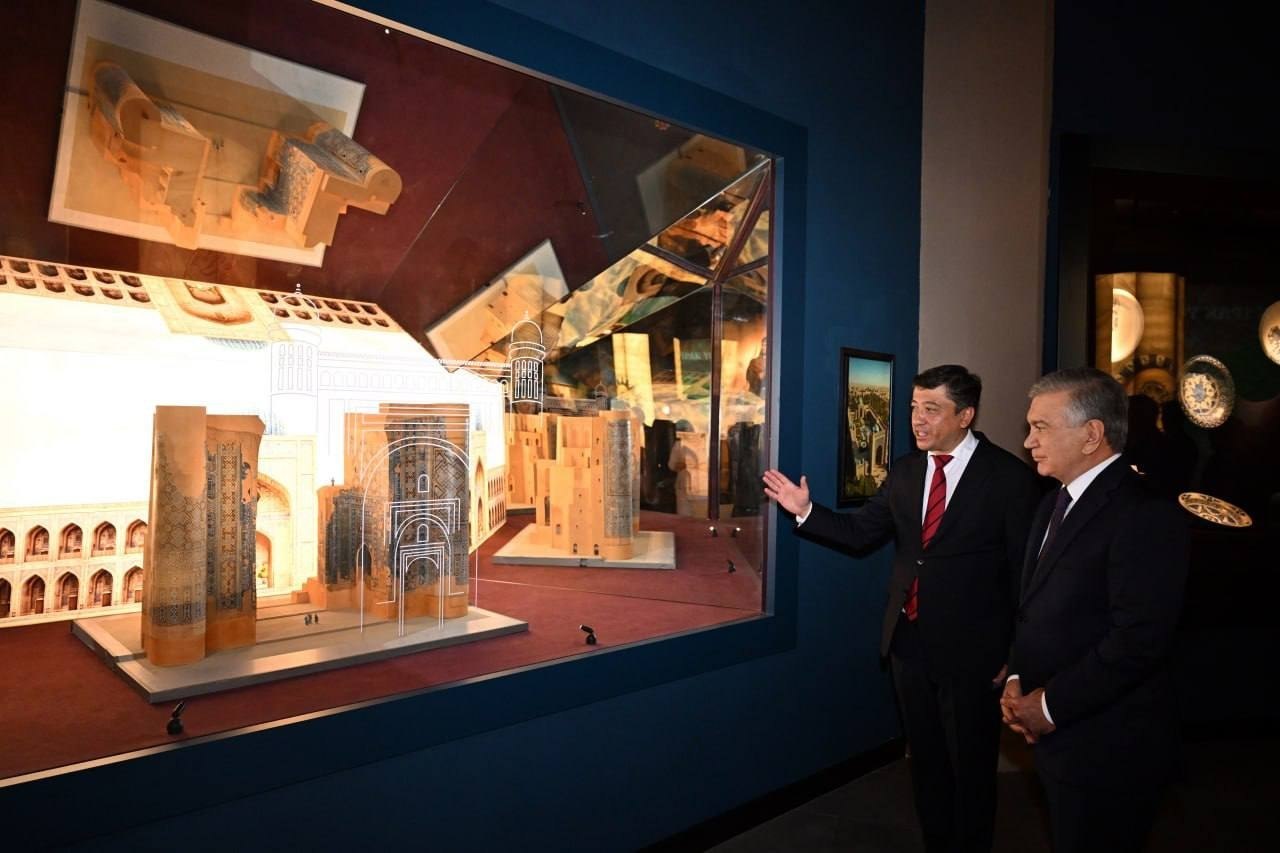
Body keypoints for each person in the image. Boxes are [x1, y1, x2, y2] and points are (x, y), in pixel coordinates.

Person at [763, 364, 1039, 853]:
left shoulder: (1008, 477)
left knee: (971, 770)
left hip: (973, 653)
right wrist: (804, 510)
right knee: (927, 764)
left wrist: (1015, 655)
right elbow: (860, 533)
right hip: (908, 644)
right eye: (914, 407)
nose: (917, 419)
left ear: (965, 415)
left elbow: (1026, 575)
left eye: (931, 408)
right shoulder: (907, 470)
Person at [1002, 368, 1188, 853]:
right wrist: (1019, 676)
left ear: (1091, 435)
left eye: (1041, 427)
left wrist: (1048, 706)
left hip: (1111, 745)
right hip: (1060, 739)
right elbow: (1034, 606)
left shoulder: (1144, 513)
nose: (1028, 441)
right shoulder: (1052, 503)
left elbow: (1138, 640)